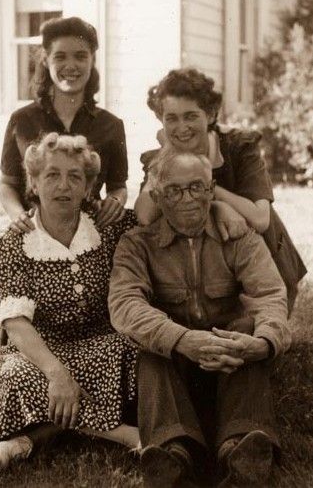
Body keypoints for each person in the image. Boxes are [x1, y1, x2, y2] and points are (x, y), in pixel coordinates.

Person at [0, 133, 139, 471]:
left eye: (74, 177)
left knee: (137, 350)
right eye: (52, 175)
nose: (63, 186)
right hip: (39, 354)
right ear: (32, 181)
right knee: (17, 375)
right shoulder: (12, 245)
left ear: (88, 186)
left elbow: (158, 217)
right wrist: (57, 375)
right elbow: (16, 324)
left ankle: (31, 440)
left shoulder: (108, 227)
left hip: (102, 344)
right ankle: (126, 435)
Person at [109, 151, 291, 488]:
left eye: (197, 187)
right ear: (159, 197)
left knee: (247, 330)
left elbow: (269, 295)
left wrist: (263, 343)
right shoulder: (136, 244)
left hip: (230, 364)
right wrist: (181, 340)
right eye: (175, 190)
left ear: (211, 190)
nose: (188, 198)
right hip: (176, 367)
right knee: (150, 350)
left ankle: (239, 452)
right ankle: (174, 455)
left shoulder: (240, 237)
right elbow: (125, 303)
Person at [134, 68, 306, 312]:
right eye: (171, 118)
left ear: (211, 114)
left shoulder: (239, 146)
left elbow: (260, 219)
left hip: (265, 264)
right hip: (213, 275)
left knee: (253, 330)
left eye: (191, 116)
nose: (181, 127)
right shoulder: (163, 157)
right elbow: (144, 215)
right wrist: (167, 154)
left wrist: (213, 195)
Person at [0, 16, 128, 232]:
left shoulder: (111, 125)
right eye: (60, 57)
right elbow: (7, 183)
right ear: (46, 59)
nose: (71, 66)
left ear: (92, 60)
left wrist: (115, 201)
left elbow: (118, 187)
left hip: (90, 237)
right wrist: (17, 215)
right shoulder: (21, 121)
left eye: (80, 56)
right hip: (35, 235)